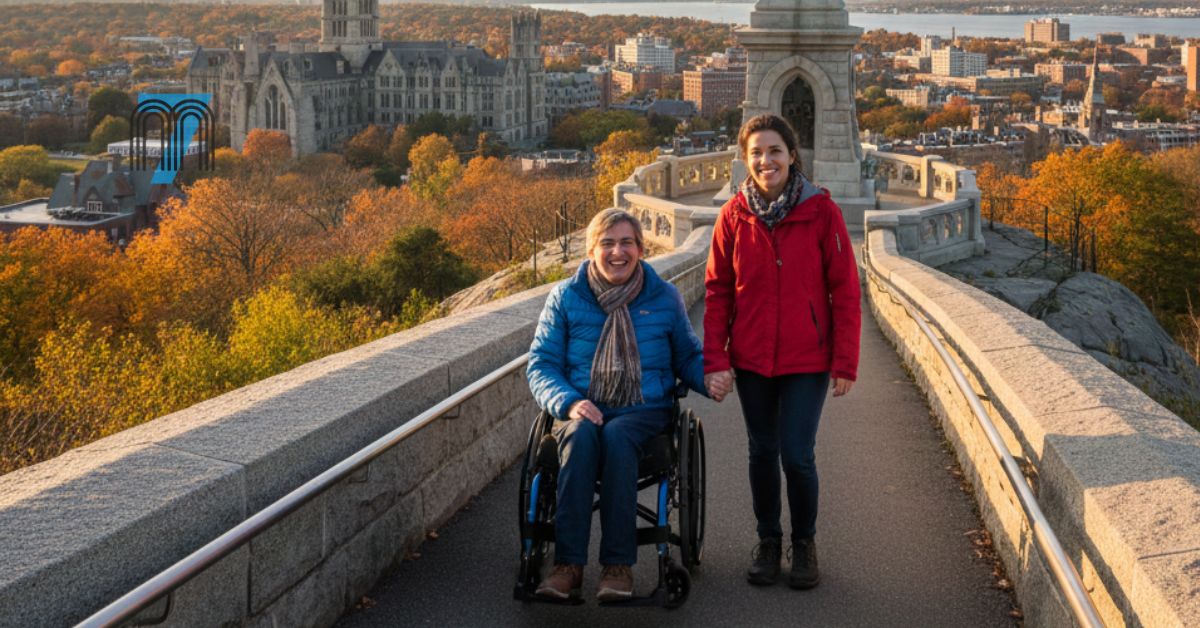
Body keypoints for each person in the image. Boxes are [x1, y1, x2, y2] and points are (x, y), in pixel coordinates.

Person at [703, 114, 861, 590]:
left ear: (793, 155)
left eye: (774, 151)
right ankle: (768, 541)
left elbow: (845, 290)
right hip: (752, 358)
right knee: (762, 451)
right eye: (756, 153)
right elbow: (717, 292)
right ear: (745, 160)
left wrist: (845, 361)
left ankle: (804, 543)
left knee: (796, 454)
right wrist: (716, 359)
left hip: (807, 360)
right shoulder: (733, 215)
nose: (766, 160)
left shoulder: (821, 211)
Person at [527, 208, 710, 602]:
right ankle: (568, 566)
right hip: (581, 408)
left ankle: (617, 566)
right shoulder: (565, 297)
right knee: (582, 438)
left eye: (626, 242)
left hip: (643, 412)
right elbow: (541, 364)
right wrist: (569, 401)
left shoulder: (664, 297)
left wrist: (712, 377)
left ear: (641, 249)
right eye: (607, 243)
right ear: (592, 250)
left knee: (618, 435)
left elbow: (688, 357)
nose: (617, 252)